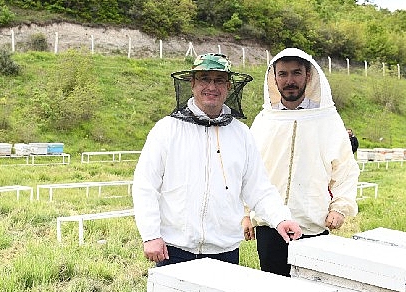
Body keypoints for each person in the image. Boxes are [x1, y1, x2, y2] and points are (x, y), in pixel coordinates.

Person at [133, 53, 301, 267]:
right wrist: (150, 234)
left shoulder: (241, 134)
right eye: (204, 78)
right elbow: (145, 185)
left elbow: (258, 188)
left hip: (225, 251)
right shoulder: (167, 129)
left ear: (229, 86)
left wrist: (281, 218)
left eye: (219, 80)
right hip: (174, 250)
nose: (211, 87)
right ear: (192, 83)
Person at [243, 47, 360, 277]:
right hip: (270, 226)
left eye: (296, 73)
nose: (290, 80)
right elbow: (248, 171)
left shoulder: (327, 120)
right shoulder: (265, 120)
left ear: (308, 76)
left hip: (312, 223)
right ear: (274, 78)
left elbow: (345, 169)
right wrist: (245, 213)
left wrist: (339, 208)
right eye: (283, 74)